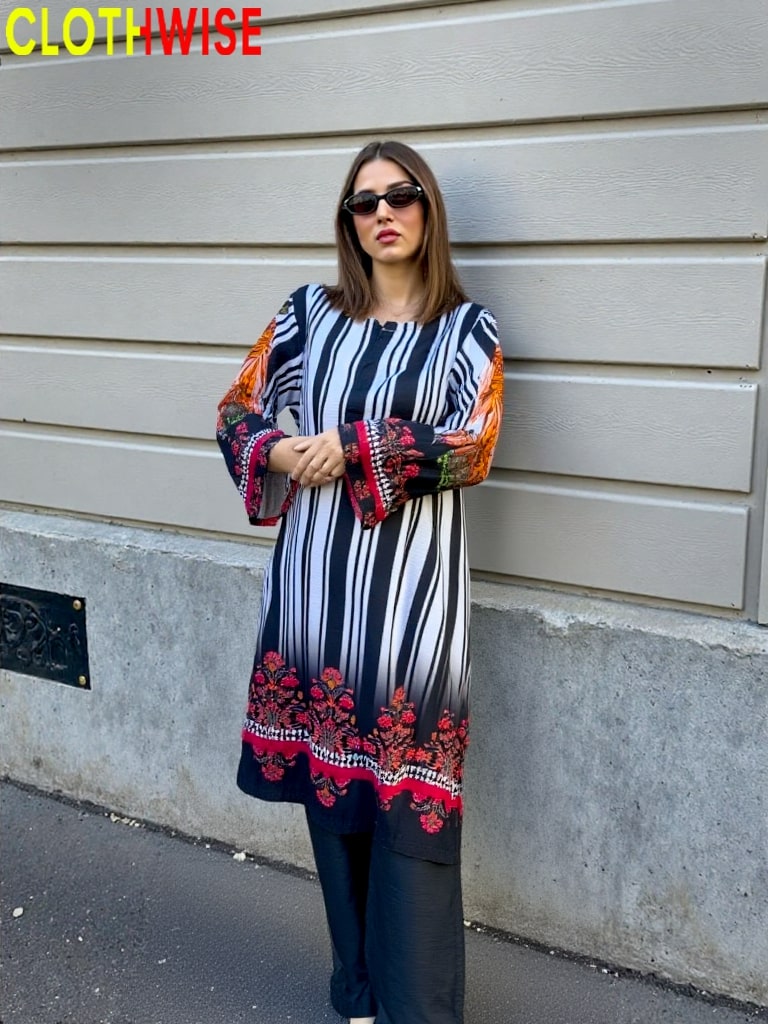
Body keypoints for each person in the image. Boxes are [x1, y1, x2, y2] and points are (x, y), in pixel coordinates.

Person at [216, 139, 504, 1024]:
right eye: (362, 202)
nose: (383, 213)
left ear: (428, 210)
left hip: (412, 616)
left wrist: (364, 444)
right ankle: (359, 996)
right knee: (335, 801)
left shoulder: (469, 332)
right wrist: (279, 447)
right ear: (348, 222)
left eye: (401, 195)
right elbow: (238, 407)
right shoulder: (309, 315)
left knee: (412, 817)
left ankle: (419, 1008)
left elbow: (475, 447)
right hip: (317, 599)